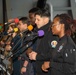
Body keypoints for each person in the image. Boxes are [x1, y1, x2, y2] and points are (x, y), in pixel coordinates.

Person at [28, 8, 58, 75]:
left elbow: (53, 53)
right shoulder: (40, 31)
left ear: (46, 20)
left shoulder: (51, 32)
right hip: (38, 69)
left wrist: (37, 56)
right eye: (35, 19)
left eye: (38, 20)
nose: (35, 22)